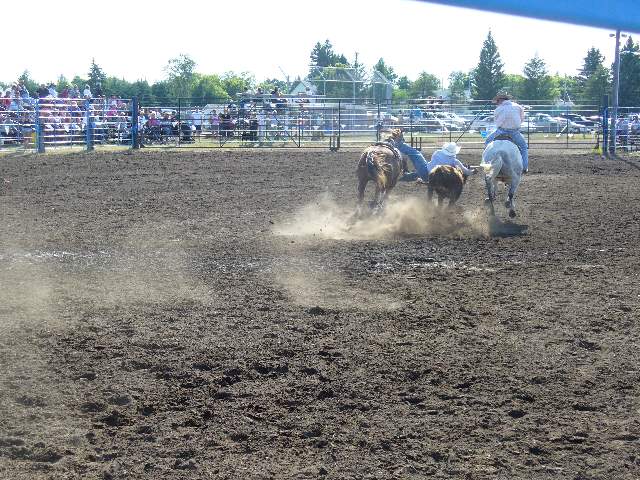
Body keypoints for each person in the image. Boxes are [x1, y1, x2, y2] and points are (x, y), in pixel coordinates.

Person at [485, 93, 529, 173]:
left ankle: (487, 164)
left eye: (497, 101)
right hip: (514, 132)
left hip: (501, 131)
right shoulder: (518, 107)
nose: (497, 103)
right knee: (523, 147)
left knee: (488, 142)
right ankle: (524, 167)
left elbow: (496, 122)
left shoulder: (498, 109)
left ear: (501, 100)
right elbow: (522, 119)